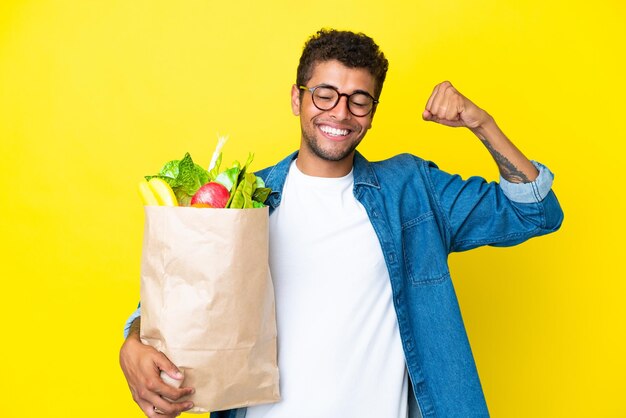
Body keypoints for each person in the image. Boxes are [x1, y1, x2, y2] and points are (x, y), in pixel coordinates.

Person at [120, 29, 563, 418]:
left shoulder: (413, 191)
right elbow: (182, 297)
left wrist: (481, 124)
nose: (340, 113)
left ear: (372, 110)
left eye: (359, 100)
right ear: (297, 98)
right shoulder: (244, 199)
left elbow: (536, 212)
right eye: (325, 94)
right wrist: (134, 340)